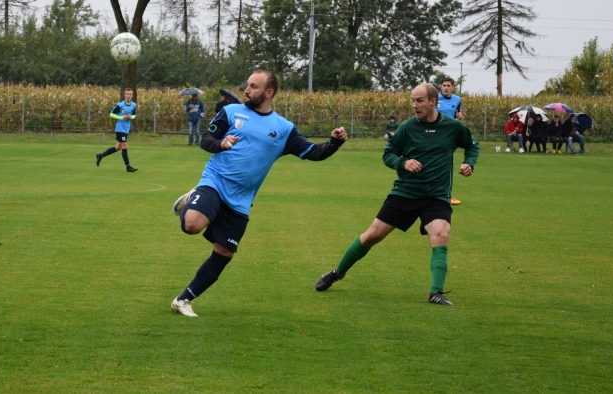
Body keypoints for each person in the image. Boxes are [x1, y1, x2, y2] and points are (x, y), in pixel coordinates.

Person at [169, 70, 348, 317]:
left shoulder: (284, 129)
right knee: (191, 225)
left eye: (254, 86)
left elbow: (313, 152)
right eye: (247, 85)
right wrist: (221, 144)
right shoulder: (232, 112)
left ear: (268, 92)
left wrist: (334, 142)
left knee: (224, 253)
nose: (246, 90)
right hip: (216, 181)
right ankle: (193, 200)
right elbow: (206, 139)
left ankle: (183, 300)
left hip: (241, 199)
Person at [315, 83, 479, 307]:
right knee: (372, 236)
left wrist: (469, 163)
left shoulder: (453, 127)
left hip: (436, 196)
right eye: (412, 100)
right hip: (405, 193)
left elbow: (472, 146)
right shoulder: (407, 128)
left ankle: (435, 292)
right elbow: (388, 153)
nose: (414, 105)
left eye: (419, 100)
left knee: (441, 235)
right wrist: (403, 163)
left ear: (433, 102)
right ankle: (337, 272)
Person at [95, 87, 138, 172]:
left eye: (130, 94)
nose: (128, 96)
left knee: (117, 147)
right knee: (125, 146)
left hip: (126, 129)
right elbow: (111, 114)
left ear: (132, 96)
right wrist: (121, 117)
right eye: (127, 94)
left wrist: (131, 117)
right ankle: (128, 167)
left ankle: (100, 155)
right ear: (124, 95)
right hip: (120, 129)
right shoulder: (120, 105)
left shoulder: (133, 105)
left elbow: (134, 115)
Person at [436, 77, 464, 204]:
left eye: (448, 85)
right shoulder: (435, 98)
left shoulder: (457, 99)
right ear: (441, 87)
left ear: (452, 87)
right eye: (444, 85)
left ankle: (447, 195)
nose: (446, 87)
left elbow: (456, 116)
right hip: (434, 134)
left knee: (447, 165)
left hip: (448, 136)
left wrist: (459, 118)